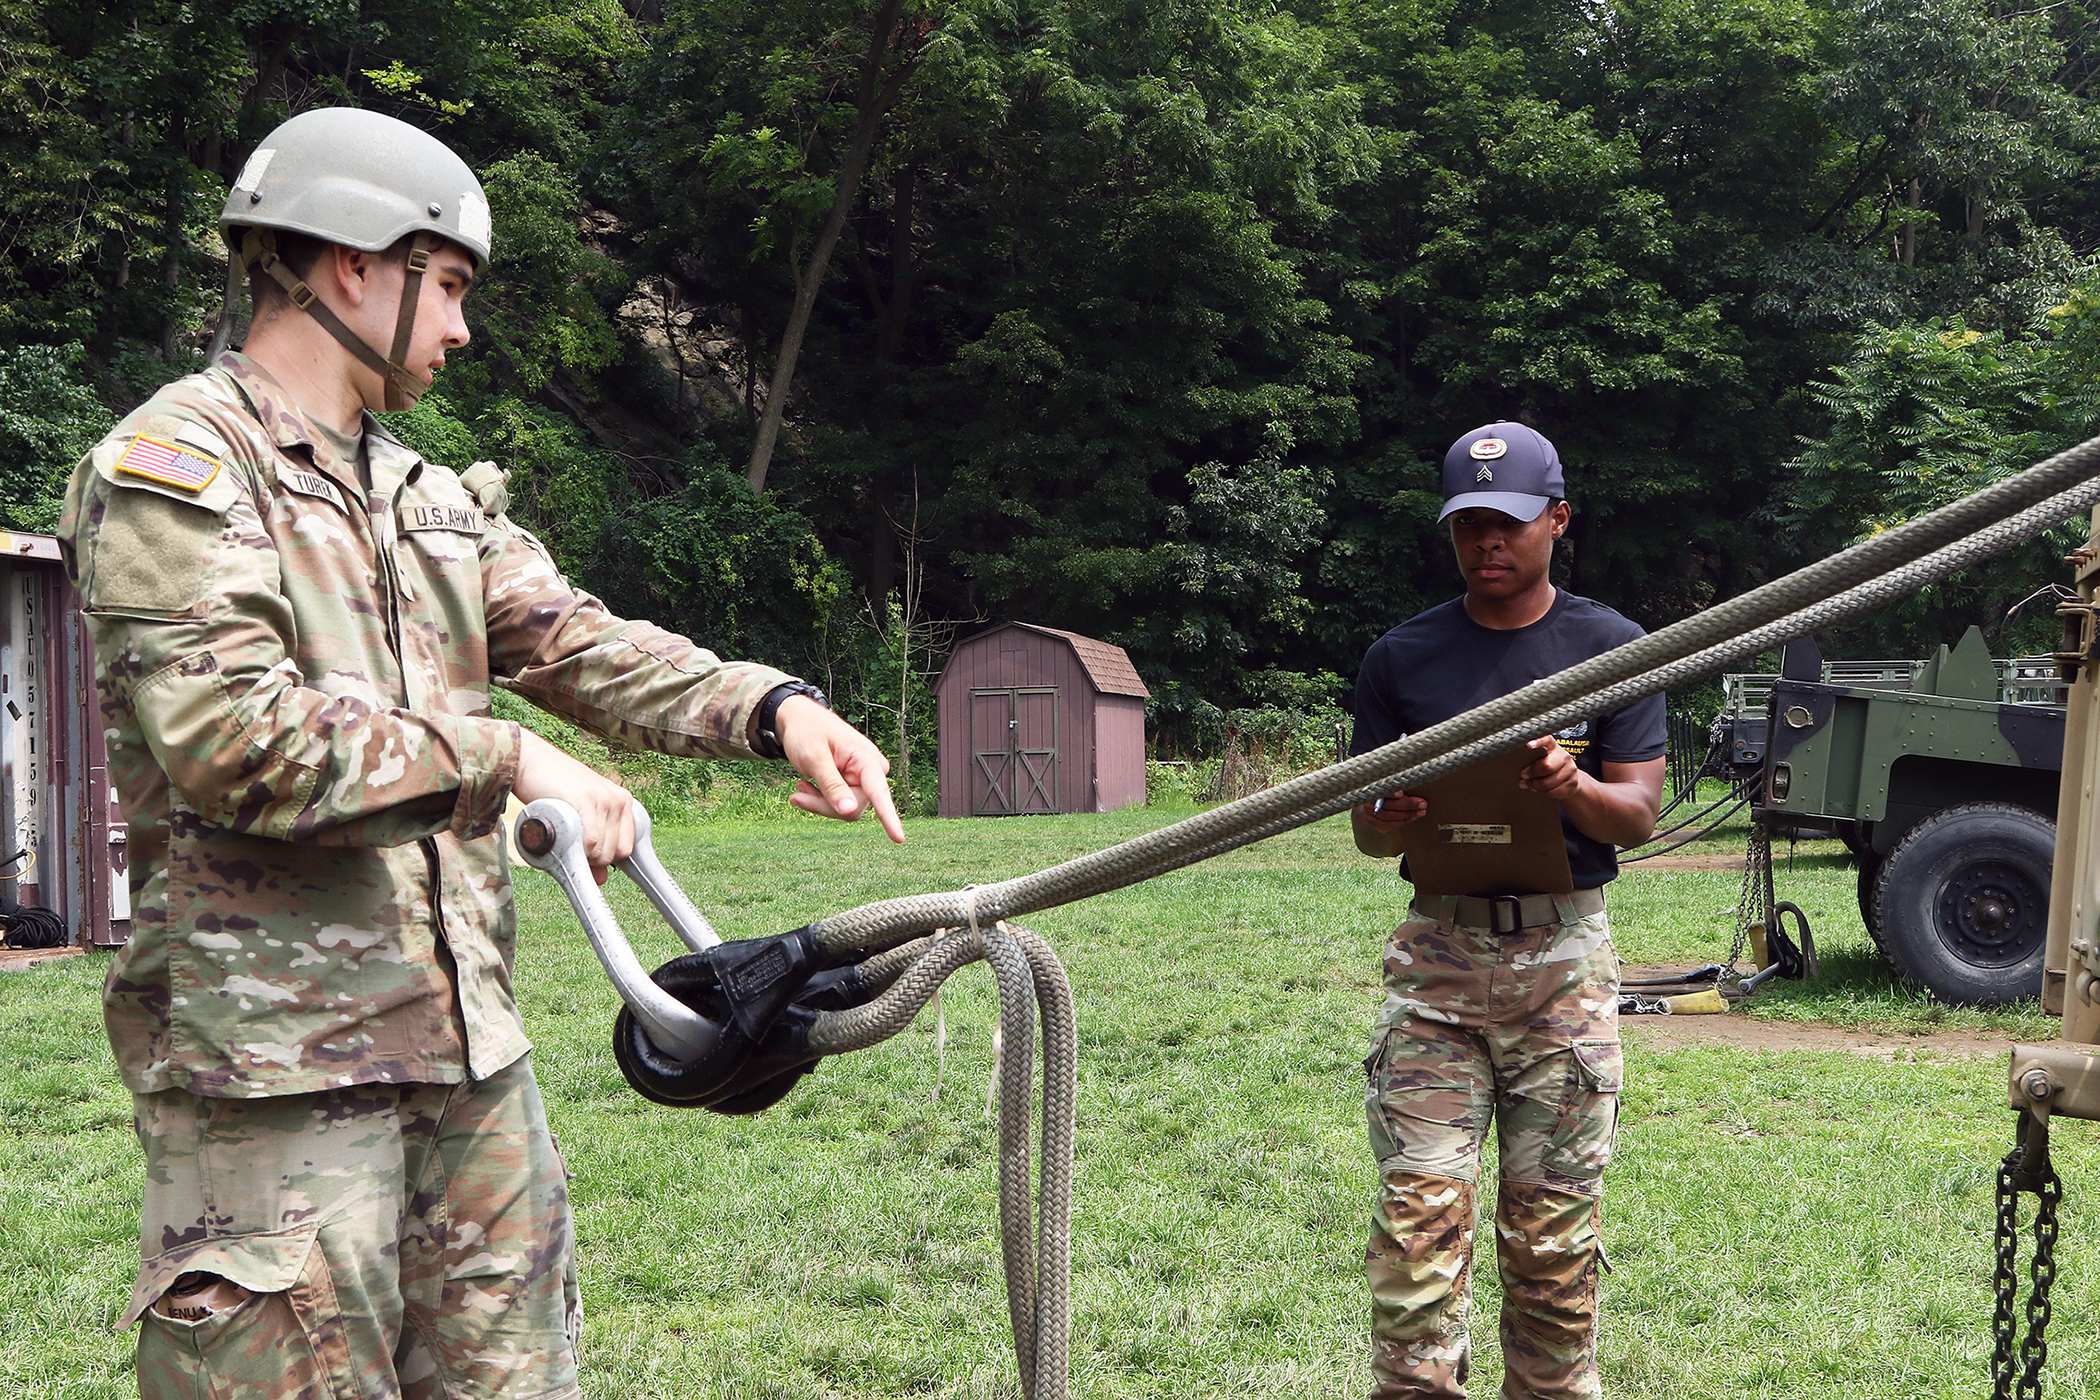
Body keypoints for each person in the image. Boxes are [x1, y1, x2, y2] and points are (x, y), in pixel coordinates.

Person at [57, 106, 902, 1400]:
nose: (461, 327)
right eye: (446, 284)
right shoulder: (178, 471)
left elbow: (580, 642)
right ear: (353, 264)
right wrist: (506, 760)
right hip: (276, 1092)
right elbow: (231, 739)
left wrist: (775, 707)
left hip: (474, 1074)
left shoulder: (424, 495)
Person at [1348, 423, 1664, 1399]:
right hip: (1437, 969)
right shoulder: (1401, 657)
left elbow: (1637, 813)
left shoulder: (1612, 648)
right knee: (1415, 1237)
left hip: (1563, 971)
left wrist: (1570, 784)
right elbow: (1367, 835)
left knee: (1553, 1253)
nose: (1488, 541)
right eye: (1468, 524)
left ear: (1557, 520)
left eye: (1510, 522)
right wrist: (1386, 817)